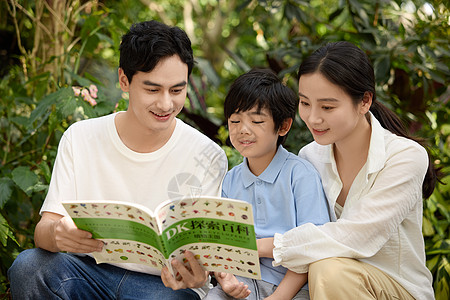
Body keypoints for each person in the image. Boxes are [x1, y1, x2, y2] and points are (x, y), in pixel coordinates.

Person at [7, 20, 228, 300]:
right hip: (87, 272)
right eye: (152, 89)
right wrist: (58, 234)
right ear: (124, 80)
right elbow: (44, 232)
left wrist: (197, 273)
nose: (165, 104)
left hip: (161, 287)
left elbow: (203, 254)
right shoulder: (80, 137)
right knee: (29, 267)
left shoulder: (208, 155)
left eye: (176, 90)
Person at [256, 41, 437, 299]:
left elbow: (358, 236)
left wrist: (266, 246)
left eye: (327, 107)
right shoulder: (309, 157)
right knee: (325, 269)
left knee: (328, 268)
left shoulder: (404, 157)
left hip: (396, 290)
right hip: (328, 287)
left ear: (364, 101)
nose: (313, 118)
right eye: (305, 103)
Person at [205, 69, 330, 300]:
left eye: (257, 121)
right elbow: (221, 248)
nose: (243, 129)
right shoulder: (230, 181)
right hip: (241, 285)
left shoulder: (300, 175)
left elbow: (311, 246)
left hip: (292, 288)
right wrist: (226, 280)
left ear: (283, 126)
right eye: (235, 121)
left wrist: (277, 298)